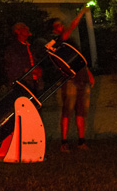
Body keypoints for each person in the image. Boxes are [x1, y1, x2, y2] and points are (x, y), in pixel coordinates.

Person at [49, 8, 94, 152]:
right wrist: (81, 13)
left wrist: (88, 73)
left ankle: (81, 141)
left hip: (82, 78)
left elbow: (79, 59)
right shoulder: (57, 42)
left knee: (81, 111)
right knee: (67, 110)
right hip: (70, 81)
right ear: (54, 30)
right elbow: (72, 27)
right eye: (57, 26)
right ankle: (64, 142)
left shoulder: (72, 42)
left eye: (61, 24)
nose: (61, 27)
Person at [3, 21, 42, 93]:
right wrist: (28, 70)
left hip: (34, 82)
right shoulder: (12, 48)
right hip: (22, 84)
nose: (27, 28)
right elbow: (12, 66)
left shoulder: (30, 47)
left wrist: (38, 70)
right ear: (17, 31)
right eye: (23, 27)